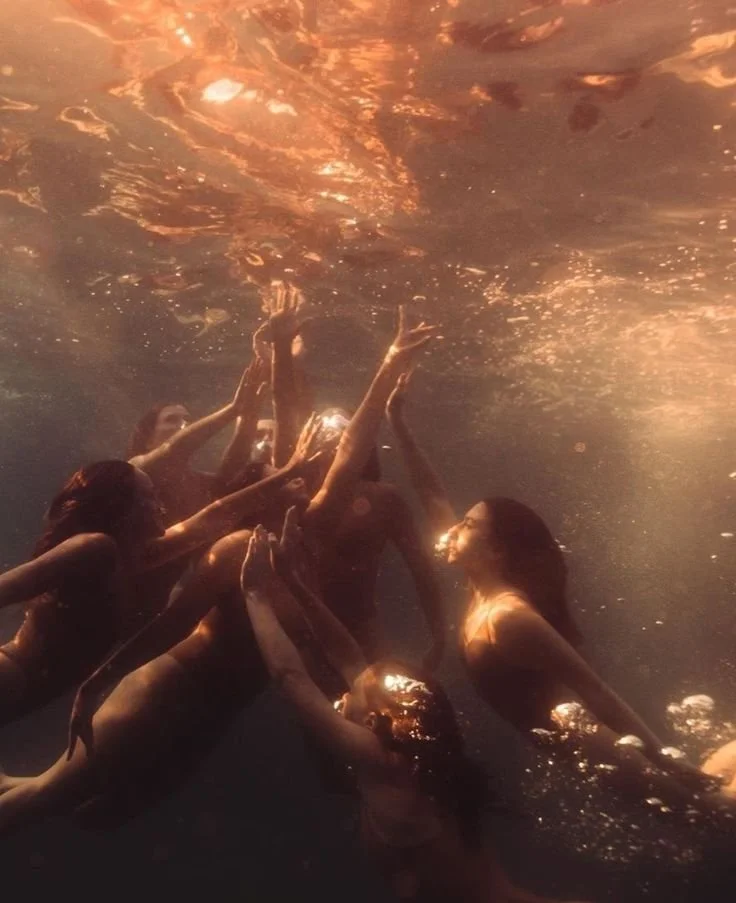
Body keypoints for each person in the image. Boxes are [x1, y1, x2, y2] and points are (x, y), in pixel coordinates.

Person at [0, 308, 438, 832]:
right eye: (292, 473)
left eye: (316, 471)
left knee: (86, 806)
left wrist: (388, 365)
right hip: (165, 687)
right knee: (46, 797)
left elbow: (349, 451)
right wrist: (99, 682)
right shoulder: (237, 548)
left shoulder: (307, 534)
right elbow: (170, 626)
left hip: (212, 708)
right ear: (266, 491)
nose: (319, 478)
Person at [385, 371, 736, 817]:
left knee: (718, 811)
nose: (454, 529)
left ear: (495, 551)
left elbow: (597, 691)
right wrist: (397, 422)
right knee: (712, 803)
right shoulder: (479, 589)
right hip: (574, 745)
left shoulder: (508, 617)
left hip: (596, 745)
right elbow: (432, 495)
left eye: (468, 525)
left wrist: (668, 763)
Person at [239, 512, 590, 903]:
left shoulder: (383, 763)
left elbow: (290, 677)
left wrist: (255, 595)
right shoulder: (403, 755)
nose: (344, 694)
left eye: (353, 695)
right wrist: (292, 581)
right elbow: (348, 656)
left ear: (372, 720)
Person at [0, 423, 319, 731]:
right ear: (122, 507)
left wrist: (290, 472)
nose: (160, 505)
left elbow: (214, 517)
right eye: (149, 496)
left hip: (24, 689)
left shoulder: (133, 555)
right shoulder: (94, 547)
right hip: (12, 674)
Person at [266, 286, 445, 669]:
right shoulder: (295, 485)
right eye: (325, 428)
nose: (333, 434)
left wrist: (439, 634)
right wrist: (281, 348)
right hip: (300, 628)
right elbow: (285, 406)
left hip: (360, 626)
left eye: (342, 429)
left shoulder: (384, 499)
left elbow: (421, 568)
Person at [127, 352, 269, 526]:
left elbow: (229, 474)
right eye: (172, 420)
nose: (184, 425)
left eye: (187, 420)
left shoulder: (197, 481)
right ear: (147, 439)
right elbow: (173, 449)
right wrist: (233, 409)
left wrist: (249, 417)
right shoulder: (134, 470)